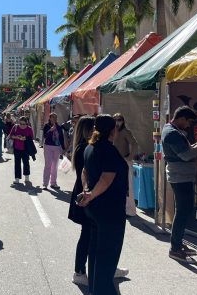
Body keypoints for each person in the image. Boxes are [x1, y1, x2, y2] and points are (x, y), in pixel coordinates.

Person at [78, 114, 129, 295]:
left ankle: (95, 289)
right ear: (113, 130)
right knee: (107, 255)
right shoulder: (108, 150)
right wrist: (90, 195)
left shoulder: (90, 148)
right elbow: (106, 179)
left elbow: (84, 172)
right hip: (109, 210)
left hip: (95, 209)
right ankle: (103, 291)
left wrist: (87, 192)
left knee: (96, 252)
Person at [162, 106, 197, 262]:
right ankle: (175, 248)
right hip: (180, 177)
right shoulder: (172, 133)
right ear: (182, 118)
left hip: (181, 176)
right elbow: (186, 155)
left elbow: (186, 150)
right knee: (183, 211)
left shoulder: (172, 130)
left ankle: (177, 243)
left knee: (182, 211)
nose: (190, 125)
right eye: (189, 122)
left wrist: (196, 145)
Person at [68, 116, 95, 286]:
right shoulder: (85, 148)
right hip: (85, 194)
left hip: (84, 193)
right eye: (93, 128)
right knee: (87, 234)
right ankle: (79, 271)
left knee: (90, 234)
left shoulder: (81, 147)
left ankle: (97, 267)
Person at [113, 113, 139, 217]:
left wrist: (130, 157)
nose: (117, 121)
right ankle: (120, 208)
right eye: (115, 119)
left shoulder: (125, 132)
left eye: (119, 119)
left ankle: (130, 210)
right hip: (114, 162)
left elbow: (135, 144)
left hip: (124, 161)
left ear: (123, 121)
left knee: (128, 186)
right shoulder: (112, 132)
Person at [42, 113, 66, 190]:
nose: (54, 119)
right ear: (50, 118)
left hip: (57, 147)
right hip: (48, 146)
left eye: (55, 117)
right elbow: (44, 136)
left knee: (55, 165)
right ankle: (45, 183)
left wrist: (63, 148)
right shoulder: (46, 126)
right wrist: (50, 130)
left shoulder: (59, 127)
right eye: (53, 117)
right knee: (48, 164)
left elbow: (61, 138)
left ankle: (53, 183)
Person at [8, 116, 34, 185]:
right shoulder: (15, 127)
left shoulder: (29, 129)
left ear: (26, 123)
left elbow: (31, 138)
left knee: (26, 163)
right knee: (17, 163)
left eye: (24, 124)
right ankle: (17, 178)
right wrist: (17, 137)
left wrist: (25, 138)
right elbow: (10, 136)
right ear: (18, 122)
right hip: (17, 148)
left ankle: (27, 177)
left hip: (25, 149)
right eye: (21, 124)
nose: (22, 125)